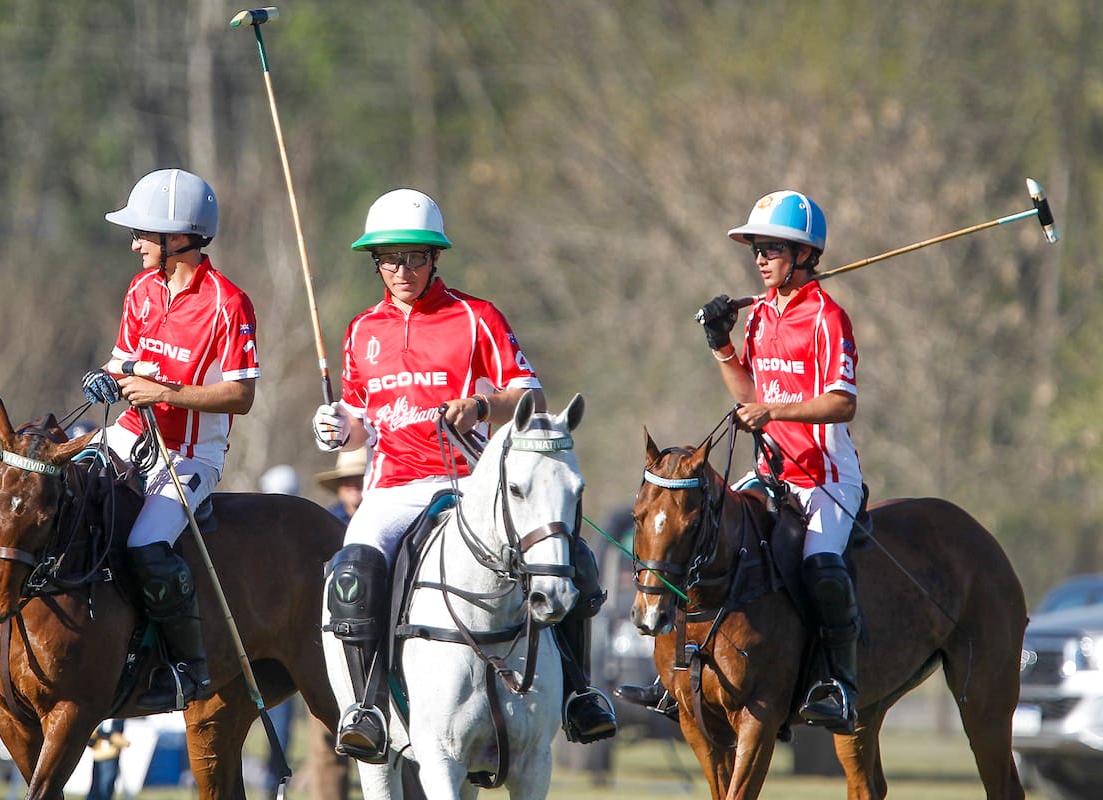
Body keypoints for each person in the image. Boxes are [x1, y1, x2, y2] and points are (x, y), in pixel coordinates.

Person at [312, 188, 616, 764]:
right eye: (389, 259)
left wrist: (481, 406)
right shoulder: (361, 330)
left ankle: (577, 691)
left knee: (571, 557)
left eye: (416, 257)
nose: (402, 271)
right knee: (351, 571)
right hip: (395, 488)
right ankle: (368, 707)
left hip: (470, 486)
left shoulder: (475, 316)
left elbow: (533, 393)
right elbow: (360, 421)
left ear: (436, 259)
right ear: (375, 262)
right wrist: (336, 427)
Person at [618, 190, 863, 733]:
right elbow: (747, 393)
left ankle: (838, 684)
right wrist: (720, 344)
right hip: (772, 473)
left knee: (822, 570)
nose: (759, 258)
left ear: (804, 255)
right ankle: (673, 675)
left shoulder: (827, 317)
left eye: (772, 248)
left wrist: (774, 410)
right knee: (704, 540)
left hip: (824, 479)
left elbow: (843, 402)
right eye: (756, 248)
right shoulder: (758, 317)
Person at [80, 168, 260, 711]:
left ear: (178, 236)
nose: (134, 244)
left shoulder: (229, 303)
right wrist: (106, 378)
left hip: (189, 456)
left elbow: (241, 396)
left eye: (143, 233)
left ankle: (185, 669)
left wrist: (167, 391)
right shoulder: (141, 289)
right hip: (128, 436)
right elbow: (124, 363)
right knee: (50, 491)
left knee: (146, 547)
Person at [256, 459, 358, 800]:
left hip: (362, 646)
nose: (352, 489)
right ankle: (274, 779)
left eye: (358, 480)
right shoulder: (321, 524)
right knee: (322, 740)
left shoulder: (371, 522)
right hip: (315, 644)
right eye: (346, 481)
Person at [85, 719, 128, 800]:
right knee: (99, 790)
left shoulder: (117, 718)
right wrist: (110, 736)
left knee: (104, 789)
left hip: (110, 755)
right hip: (100, 755)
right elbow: (93, 735)